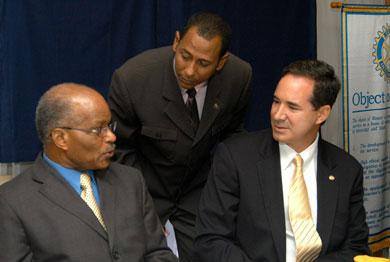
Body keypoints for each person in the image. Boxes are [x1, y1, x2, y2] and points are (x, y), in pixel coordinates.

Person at [107, 12, 252, 261]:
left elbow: (233, 138)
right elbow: (119, 151)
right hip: (144, 188)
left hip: (197, 190)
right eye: (185, 56)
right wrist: (143, 210)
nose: (190, 70)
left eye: (204, 63)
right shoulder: (132, 79)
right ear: (176, 41)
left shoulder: (238, 77)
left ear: (221, 61)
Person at [195, 60, 372, 261]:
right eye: (276, 101)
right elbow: (210, 240)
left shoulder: (346, 170)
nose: (278, 115)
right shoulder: (236, 158)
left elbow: (356, 248)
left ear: (321, 114)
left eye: (292, 107)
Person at [0, 83, 177, 262]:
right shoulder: (12, 202)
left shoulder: (130, 180)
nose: (111, 137)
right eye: (98, 130)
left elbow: (158, 253)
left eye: (109, 126)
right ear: (61, 138)